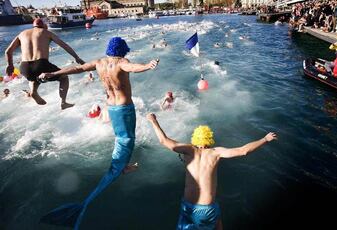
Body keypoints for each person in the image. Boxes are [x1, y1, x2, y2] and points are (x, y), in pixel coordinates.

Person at [38, 37, 158, 229]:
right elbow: (131, 67)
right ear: (123, 50)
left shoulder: (99, 63)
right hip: (124, 108)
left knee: (121, 138)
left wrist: (53, 73)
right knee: (128, 139)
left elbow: (77, 69)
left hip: (111, 108)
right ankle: (119, 169)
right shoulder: (122, 62)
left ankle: (122, 165)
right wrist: (147, 65)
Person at [146, 113, 278, 230]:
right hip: (206, 209)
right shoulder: (216, 152)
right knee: (217, 221)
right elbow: (243, 151)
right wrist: (265, 139)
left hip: (187, 207)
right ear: (209, 140)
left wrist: (153, 121)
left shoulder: (187, 150)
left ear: (195, 139)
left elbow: (164, 140)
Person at [4, 18, 85, 109]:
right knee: (64, 77)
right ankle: (63, 102)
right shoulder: (46, 32)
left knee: (34, 78)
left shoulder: (22, 34)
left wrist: (10, 65)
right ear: (43, 25)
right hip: (41, 64)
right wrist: (76, 57)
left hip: (24, 67)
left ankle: (34, 92)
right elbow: (64, 45)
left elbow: (8, 51)